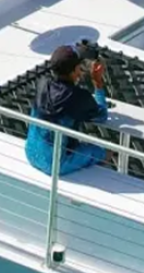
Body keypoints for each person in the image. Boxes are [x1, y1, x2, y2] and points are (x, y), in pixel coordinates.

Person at [25, 46, 110, 176]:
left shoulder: (42, 84)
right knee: (103, 152)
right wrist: (97, 82)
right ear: (74, 70)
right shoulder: (79, 96)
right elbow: (102, 115)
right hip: (56, 165)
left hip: (31, 153)